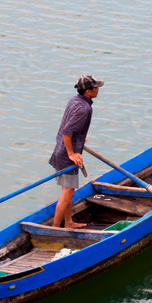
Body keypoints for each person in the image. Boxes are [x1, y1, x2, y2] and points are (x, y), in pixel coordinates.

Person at [49, 75, 103, 229]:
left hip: (61, 150)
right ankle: (54, 228)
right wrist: (72, 153)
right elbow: (67, 132)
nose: (98, 89)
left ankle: (69, 222)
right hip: (66, 156)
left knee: (69, 193)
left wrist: (79, 138)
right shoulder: (84, 108)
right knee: (67, 195)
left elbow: (71, 128)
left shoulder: (75, 100)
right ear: (88, 91)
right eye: (96, 87)